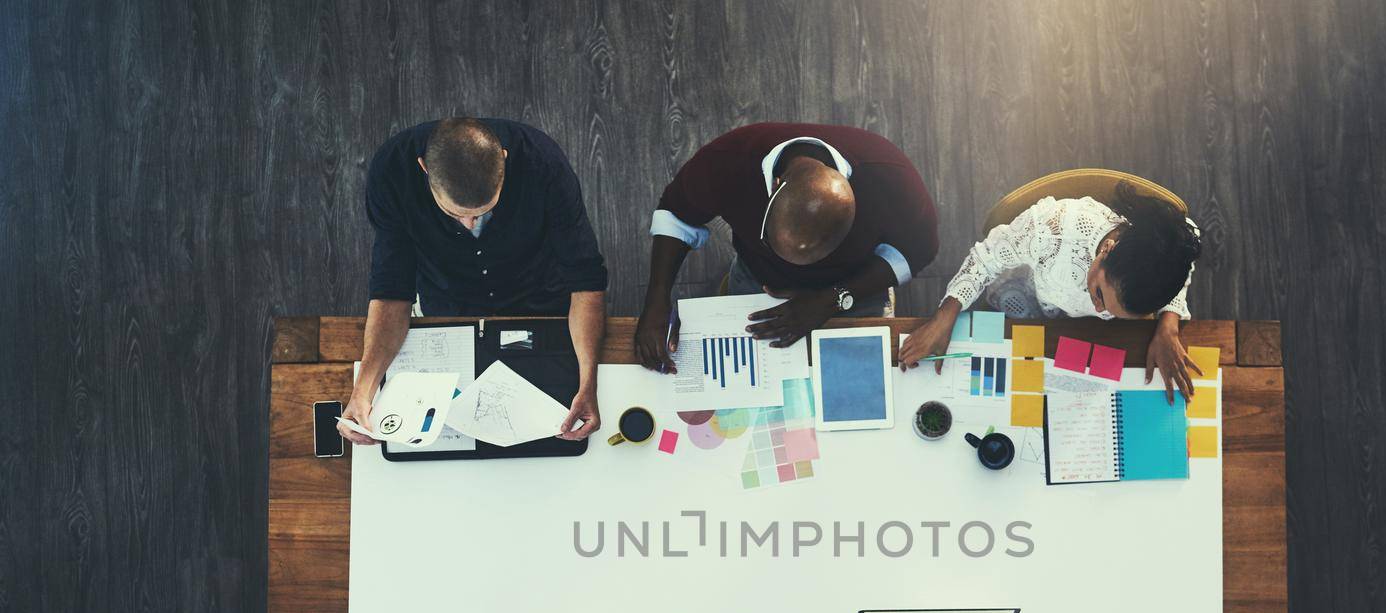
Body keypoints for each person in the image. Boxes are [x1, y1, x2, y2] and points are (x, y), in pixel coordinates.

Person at [340, 117, 609, 445]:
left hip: (540, 297)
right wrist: (362, 392)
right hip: (447, 304)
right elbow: (392, 289)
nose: (469, 225)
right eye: (455, 214)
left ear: (505, 162)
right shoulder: (391, 172)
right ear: (424, 168)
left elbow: (585, 279)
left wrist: (588, 385)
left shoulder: (544, 164)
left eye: (484, 211)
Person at [633, 122, 939, 365]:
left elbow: (918, 250)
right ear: (776, 186)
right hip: (757, 281)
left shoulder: (891, 177)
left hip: (853, 290)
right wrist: (656, 300)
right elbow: (676, 215)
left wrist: (832, 298)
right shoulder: (727, 162)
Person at [899, 181, 1204, 400]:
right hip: (1031, 298)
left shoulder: (1172, 246)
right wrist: (942, 318)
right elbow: (984, 259)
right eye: (1099, 294)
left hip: (1087, 341)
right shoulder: (1050, 229)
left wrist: (1168, 325)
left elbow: (1184, 255)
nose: (1099, 310)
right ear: (1106, 251)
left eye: (1112, 311)